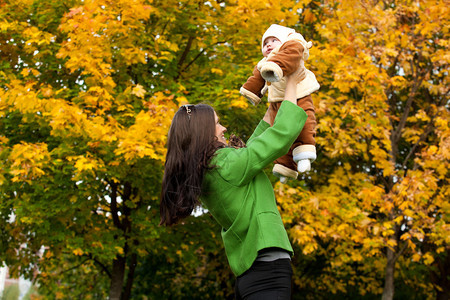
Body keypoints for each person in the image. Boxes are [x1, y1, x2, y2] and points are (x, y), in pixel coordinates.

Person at [160, 69, 308, 299]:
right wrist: (291, 81)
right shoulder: (225, 166)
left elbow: (255, 147)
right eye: (217, 124)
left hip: (252, 274)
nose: (224, 129)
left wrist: (275, 100)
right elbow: (280, 136)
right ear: (202, 134)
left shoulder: (213, 169)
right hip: (266, 273)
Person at [240, 24, 320, 183]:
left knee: (304, 123)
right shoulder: (264, 62)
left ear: (284, 40)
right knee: (279, 132)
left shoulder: (293, 46)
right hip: (277, 101)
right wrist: (251, 92)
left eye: (273, 40)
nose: (268, 44)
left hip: (300, 94)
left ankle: (304, 152)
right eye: (265, 43)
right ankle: (286, 166)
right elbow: (257, 78)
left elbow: (291, 54)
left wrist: (276, 65)